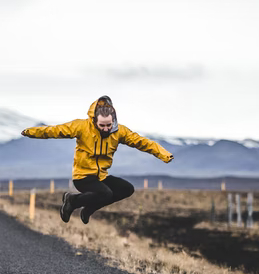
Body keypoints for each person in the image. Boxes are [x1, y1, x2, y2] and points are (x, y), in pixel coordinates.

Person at [21, 95, 174, 224]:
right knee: (106, 193)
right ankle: (71, 201)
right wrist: (31, 132)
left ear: (113, 119)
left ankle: (89, 209)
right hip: (83, 176)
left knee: (126, 189)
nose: (106, 128)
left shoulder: (120, 132)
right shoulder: (81, 127)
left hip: (101, 176)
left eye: (109, 125)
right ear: (94, 120)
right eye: (102, 125)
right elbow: (54, 131)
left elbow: (143, 142)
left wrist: (163, 154)